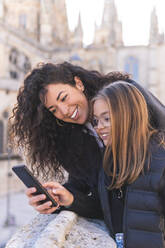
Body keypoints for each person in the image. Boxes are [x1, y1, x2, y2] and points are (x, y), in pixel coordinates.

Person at [9, 61, 165, 217]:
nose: (64, 111)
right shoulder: (70, 141)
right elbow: (99, 200)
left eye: (63, 98)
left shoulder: (126, 96)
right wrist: (62, 198)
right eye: (53, 109)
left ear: (78, 84)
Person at [51, 82, 165, 248]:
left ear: (129, 115)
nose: (99, 127)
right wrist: (69, 200)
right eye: (96, 121)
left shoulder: (159, 159)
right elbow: (105, 210)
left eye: (107, 119)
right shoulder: (110, 159)